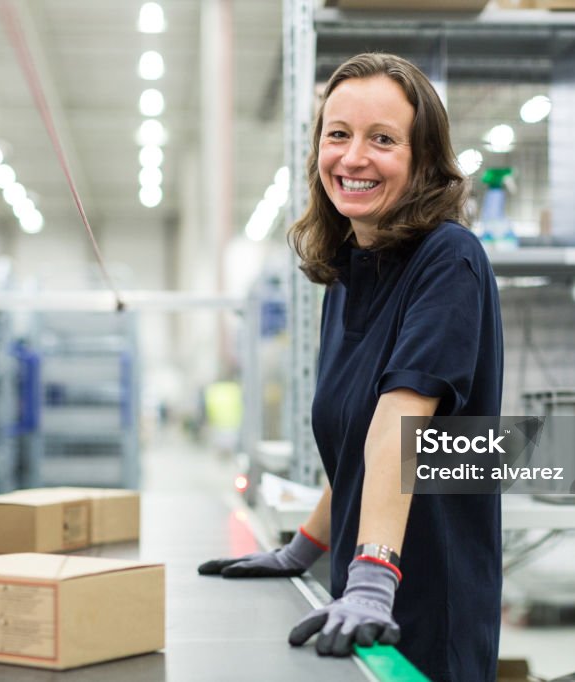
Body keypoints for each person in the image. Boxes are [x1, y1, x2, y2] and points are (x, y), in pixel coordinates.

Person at [199, 52, 504, 682]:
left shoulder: (449, 260)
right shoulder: (346, 276)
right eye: (338, 135)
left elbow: (400, 423)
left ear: (423, 160)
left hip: (420, 608)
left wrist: (372, 575)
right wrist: (305, 547)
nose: (354, 157)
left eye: (383, 139)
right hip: (360, 601)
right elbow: (358, 448)